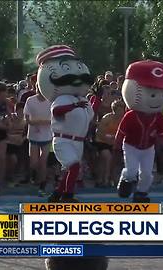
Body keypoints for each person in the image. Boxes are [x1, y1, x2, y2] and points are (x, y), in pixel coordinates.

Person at [37, 45, 94, 203]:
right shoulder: (62, 98)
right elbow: (57, 112)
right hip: (64, 140)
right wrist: (74, 107)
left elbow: (89, 117)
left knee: (72, 170)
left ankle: (56, 194)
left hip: (78, 141)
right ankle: (68, 195)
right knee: (74, 167)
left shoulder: (83, 99)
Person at [115, 60, 163, 203]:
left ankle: (141, 192)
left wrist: (161, 145)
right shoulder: (131, 116)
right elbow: (121, 133)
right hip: (131, 146)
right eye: (152, 94)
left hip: (148, 148)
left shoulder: (159, 118)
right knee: (131, 171)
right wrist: (116, 146)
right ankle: (126, 179)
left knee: (147, 174)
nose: (158, 99)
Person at [23, 89, 52, 195]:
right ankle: (36, 177)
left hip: (47, 135)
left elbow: (54, 119)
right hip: (33, 135)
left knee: (43, 161)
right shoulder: (30, 100)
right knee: (34, 163)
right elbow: (27, 119)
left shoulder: (50, 101)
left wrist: (41, 122)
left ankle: (42, 185)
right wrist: (36, 122)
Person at [95, 100, 125, 187]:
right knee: (108, 157)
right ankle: (105, 179)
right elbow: (100, 133)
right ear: (114, 110)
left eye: (122, 110)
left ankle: (114, 178)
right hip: (102, 142)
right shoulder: (107, 118)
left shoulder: (123, 119)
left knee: (116, 160)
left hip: (116, 143)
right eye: (118, 110)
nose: (120, 112)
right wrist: (109, 139)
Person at [6, 103, 27, 183]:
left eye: (23, 111)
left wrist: (22, 139)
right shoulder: (9, 118)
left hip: (20, 143)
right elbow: (3, 131)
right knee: (13, 159)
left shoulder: (26, 121)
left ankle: (18, 175)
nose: (21, 113)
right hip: (9, 143)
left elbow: (27, 134)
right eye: (20, 111)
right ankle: (9, 174)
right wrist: (10, 137)